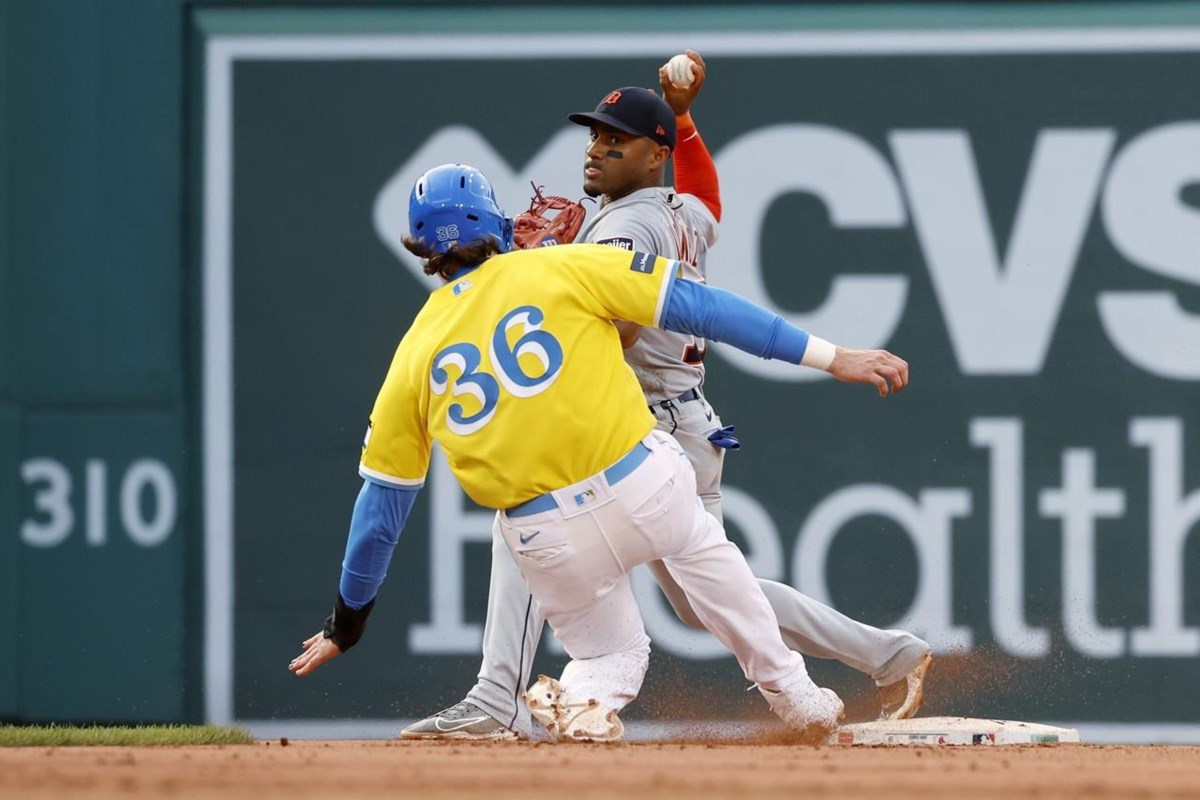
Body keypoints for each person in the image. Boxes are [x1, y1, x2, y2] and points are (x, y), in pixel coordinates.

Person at [400, 53, 931, 742]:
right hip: (688, 424)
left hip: (641, 432)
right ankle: (884, 653)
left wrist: (521, 278)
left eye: (614, 141)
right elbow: (708, 198)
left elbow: (609, 333)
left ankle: (494, 699)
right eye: (593, 136)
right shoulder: (675, 209)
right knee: (707, 590)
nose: (596, 150)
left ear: (653, 157)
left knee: (526, 529)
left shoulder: (622, 229)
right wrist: (683, 122)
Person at [289, 159, 911, 744]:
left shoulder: (413, 352)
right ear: (492, 220)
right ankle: (794, 695)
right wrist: (832, 357)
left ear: (424, 248)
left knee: (609, 653)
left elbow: (382, 507)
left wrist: (348, 622)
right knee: (706, 557)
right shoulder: (564, 266)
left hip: (544, 534)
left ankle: (585, 701)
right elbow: (703, 308)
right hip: (642, 485)